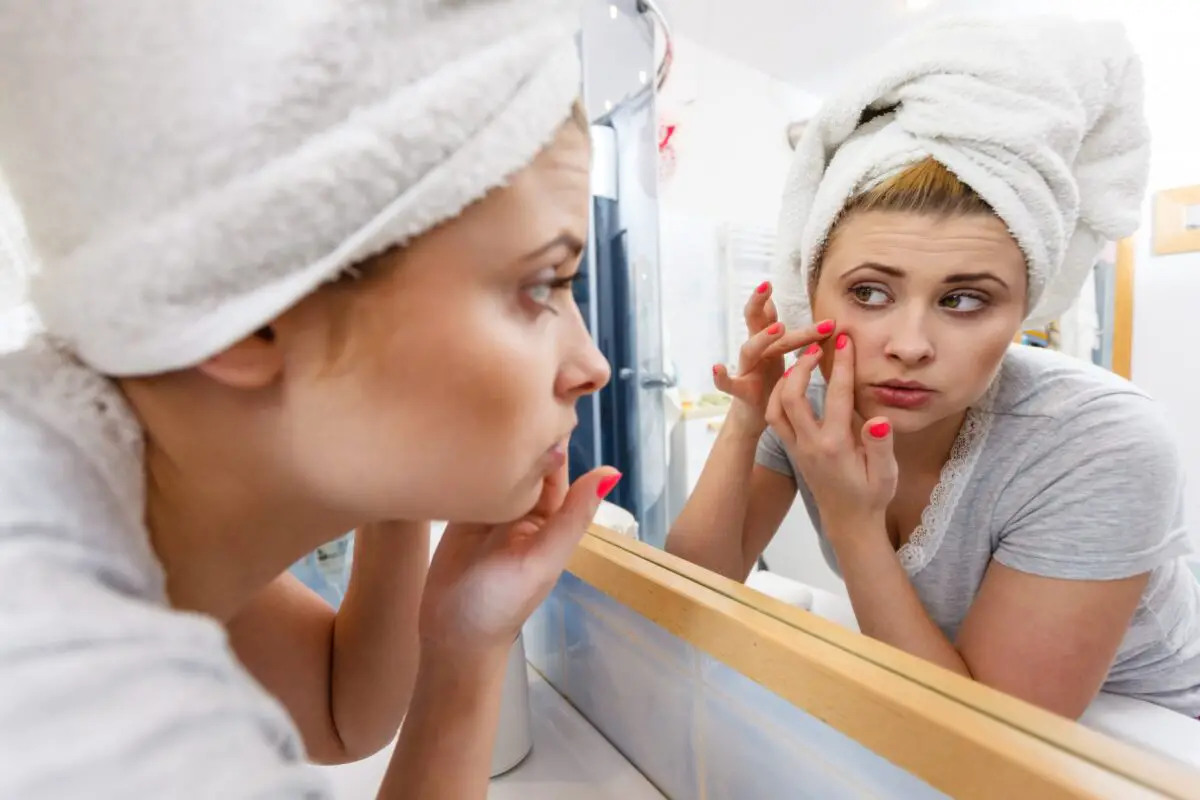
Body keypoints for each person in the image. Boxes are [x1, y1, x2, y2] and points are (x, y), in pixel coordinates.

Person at [0, 1, 619, 798]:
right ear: (248, 310)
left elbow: (338, 712)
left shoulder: (83, 479)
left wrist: (464, 641)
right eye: (542, 285)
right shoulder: (86, 716)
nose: (593, 365)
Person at [667, 16, 1200, 721]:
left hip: (1151, 730)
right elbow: (693, 591)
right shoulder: (815, 404)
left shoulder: (1099, 441)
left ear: (1023, 314)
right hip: (948, 695)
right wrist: (747, 416)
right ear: (808, 291)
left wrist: (854, 524)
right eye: (869, 292)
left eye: (964, 299)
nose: (910, 343)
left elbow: (996, 740)